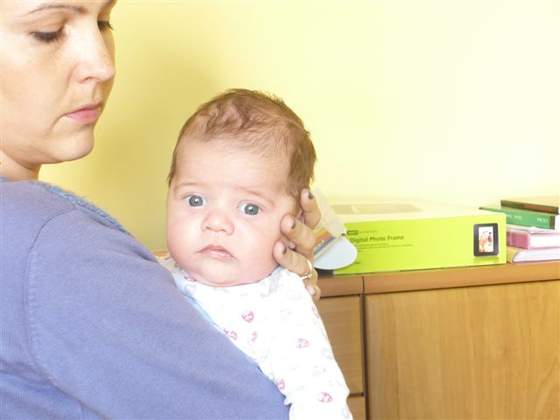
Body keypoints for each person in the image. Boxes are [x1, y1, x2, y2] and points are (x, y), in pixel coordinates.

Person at [0, 1, 321, 418]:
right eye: (49, 30)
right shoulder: (50, 246)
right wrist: (281, 313)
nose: (103, 65)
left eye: (104, 22)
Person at [161, 89, 351, 420]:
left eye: (249, 208)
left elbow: (320, 400)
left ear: (293, 222)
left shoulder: (282, 303)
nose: (216, 223)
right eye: (195, 200)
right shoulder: (153, 275)